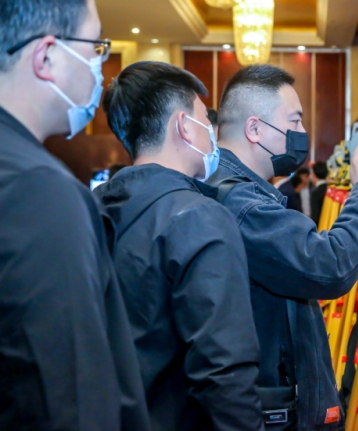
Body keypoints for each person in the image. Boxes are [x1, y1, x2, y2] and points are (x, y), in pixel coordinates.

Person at [208, 64, 358, 430]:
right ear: (254, 129)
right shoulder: (242, 203)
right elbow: (329, 267)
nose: (302, 133)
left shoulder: (234, 189)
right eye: (294, 121)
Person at [0, 0, 150, 429]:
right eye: (96, 47)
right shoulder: (41, 192)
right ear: (47, 56)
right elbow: (71, 395)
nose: (100, 67)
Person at [94, 61, 263, 431]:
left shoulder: (92, 208)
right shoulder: (200, 217)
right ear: (184, 126)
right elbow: (224, 368)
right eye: (205, 120)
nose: (212, 135)